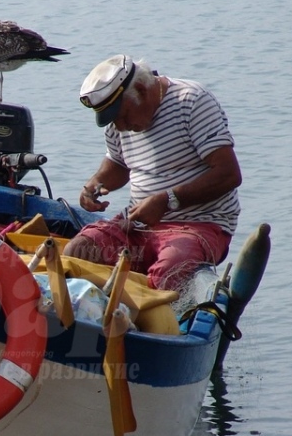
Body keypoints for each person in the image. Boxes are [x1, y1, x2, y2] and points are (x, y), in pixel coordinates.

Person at [65, 54, 242, 291]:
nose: (120, 126)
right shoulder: (117, 123)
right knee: (78, 251)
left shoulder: (191, 101)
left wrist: (167, 200)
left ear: (142, 89)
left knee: (170, 272)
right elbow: (118, 165)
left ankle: (151, 316)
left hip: (197, 226)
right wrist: (94, 184)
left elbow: (228, 174)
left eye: (123, 116)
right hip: (137, 229)